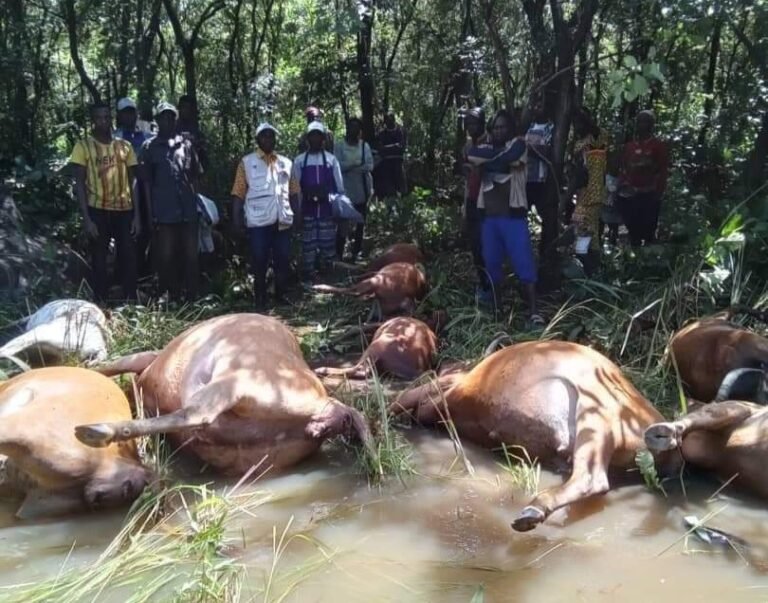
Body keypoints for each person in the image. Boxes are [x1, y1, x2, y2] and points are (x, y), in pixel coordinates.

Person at [466, 109, 544, 326]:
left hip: (513, 217)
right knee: (491, 263)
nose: (499, 130)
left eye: (503, 126)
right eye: (496, 127)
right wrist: (496, 160)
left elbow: (509, 158)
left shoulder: (519, 144)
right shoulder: (485, 147)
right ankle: (498, 309)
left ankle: (534, 312)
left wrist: (488, 162)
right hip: (489, 218)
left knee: (524, 264)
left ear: (511, 128)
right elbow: (472, 154)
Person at [68, 101, 141, 303]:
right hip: (97, 210)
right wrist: (87, 220)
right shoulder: (83, 147)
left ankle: (131, 301)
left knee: (128, 256)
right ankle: (100, 302)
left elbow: (133, 180)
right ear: (93, 121)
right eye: (99, 118)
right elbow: (80, 184)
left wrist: (137, 216)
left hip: (124, 210)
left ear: (111, 119)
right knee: (99, 259)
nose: (103, 121)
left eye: (106, 117)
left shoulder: (124, 147)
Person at [140, 102, 201, 302]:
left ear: (175, 120)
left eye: (170, 117)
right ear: (157, 121)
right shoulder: (149, 147)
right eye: (163, 117)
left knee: (191, 256)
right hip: (164, 213)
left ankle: (192, 297)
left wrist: (198, 205)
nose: (167, 121)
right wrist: (150, 215)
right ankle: (172, 296)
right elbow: (146, 184)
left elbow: (195, 177)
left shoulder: (186, 145)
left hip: (188, 212)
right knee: (166, 257)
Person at [231, 123, 294, 308]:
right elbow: (238, 193)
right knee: (259, 261)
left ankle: (280, 294)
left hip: (281, 220)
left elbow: (294, 190)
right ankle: (260, 298)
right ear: (258, 140)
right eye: (264, 136)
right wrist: (236, 221)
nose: (268, 139)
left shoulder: (285, 162)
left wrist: (297, 214)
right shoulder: (247, 163)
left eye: (271, 136)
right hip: (258, 223)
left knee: (283, 259)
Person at [290, 121, 345, 284]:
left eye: (318, 136)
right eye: (312, 136)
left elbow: (339, 188)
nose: (315, 139)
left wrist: (340, 211)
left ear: (323, 139)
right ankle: (309, 276)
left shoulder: (331, 160)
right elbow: (295, 189)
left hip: (327, 209)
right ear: (307, 139)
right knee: (308, 246)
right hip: (307, 210)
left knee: (328, 244)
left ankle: (329, 276)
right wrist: (297, 212)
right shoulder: (299, 161)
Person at [617, 110, 669, 247]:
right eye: (639, 121)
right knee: (633, 230)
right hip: (632, 196)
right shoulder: (629, 147)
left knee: (649, 231)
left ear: (652, 125)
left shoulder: (658, 146)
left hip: (649, 195)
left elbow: (662, 170)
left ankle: (648, 260)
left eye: (645, 121)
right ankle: (634, 259)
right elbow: (624, 169)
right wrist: (623, 185)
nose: (641, 125)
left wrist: (658, 192)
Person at [115, 97, 153, 279]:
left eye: (132, 112)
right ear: (120, 116)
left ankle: (143, 269)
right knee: (125, 233)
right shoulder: (115, 138)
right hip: (122, 192)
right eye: (125, 113)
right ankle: (123, 273)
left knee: (145, 229)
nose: (129, 116)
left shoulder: (146, 135)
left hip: (144, 189)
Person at [569, 108, 610, 273]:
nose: (577, 126)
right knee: (587, 232)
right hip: (583, 194)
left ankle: (590, 269)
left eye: (580, 122)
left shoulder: (599, 136)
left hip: (594, 193)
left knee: (585, 231)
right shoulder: (576, 142)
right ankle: (591, 270)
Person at [334, 117, 373, 261]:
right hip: (344, 191)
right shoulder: (339, 146)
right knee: (343, 223)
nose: (354, 130)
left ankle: (356, 253)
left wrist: (349, 166)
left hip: (362, 190)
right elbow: (338, 165)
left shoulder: (364, 146)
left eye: (357, 127)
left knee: (360, 223)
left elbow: (369, 166)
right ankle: (338, 253)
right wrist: (356, 164)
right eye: (351, 127)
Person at [525, 100, 557, 260]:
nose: (536, 108)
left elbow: (548, 151)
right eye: (535, 105)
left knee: (545, 216)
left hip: (540, 179)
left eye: (540, 105)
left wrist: (531, 149)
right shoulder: (530, 126)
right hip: (525, 178)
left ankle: (546, 252)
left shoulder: (551, 128)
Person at [461, 107, 489, 293]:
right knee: (475, 244)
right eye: (468, 123)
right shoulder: (467, 146)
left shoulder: (491, 142)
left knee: (485, 244)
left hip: (487, 201)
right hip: (471, 199)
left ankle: (490, 285)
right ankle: (483, 281)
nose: (471, 127)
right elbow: (465, 172)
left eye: (474, 123)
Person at [374, 113, 407, 216]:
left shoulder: (401, 132)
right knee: (389, 189)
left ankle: (403, 211)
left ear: (394, 120)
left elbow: (401, 147)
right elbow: (380, 149)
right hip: (386, 165)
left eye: (391, 119)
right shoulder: (381, 134)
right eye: (387, 120)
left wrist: (387, 148)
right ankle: (391, 211)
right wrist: (394, 147)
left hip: (398, 163)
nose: (389, 122)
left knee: (401, 188)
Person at [176, 94, 208, 171]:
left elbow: (203, 153)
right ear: (179, 108)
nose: (186, 110)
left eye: (188, 108)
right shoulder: (172, 127)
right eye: (184, 107)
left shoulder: (195, 130)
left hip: (192, 170)